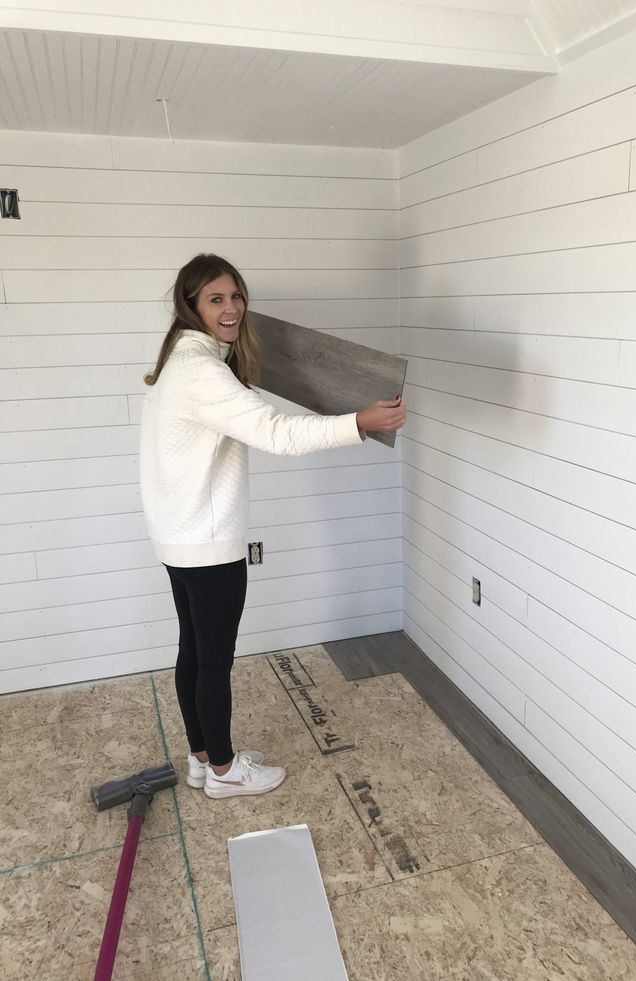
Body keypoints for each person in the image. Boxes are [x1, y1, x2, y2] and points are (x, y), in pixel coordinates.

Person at [139, 253, 406, 800]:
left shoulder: (182, 362)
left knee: (194, 650)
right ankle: (224, 772)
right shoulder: (202, 372)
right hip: (206, 543)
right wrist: (360, 422)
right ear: (190, 306)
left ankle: (202, 756)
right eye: (216, 299)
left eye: (236, 296)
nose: (232, 308)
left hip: (180, 536)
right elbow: (278, 434)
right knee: (212, 661)